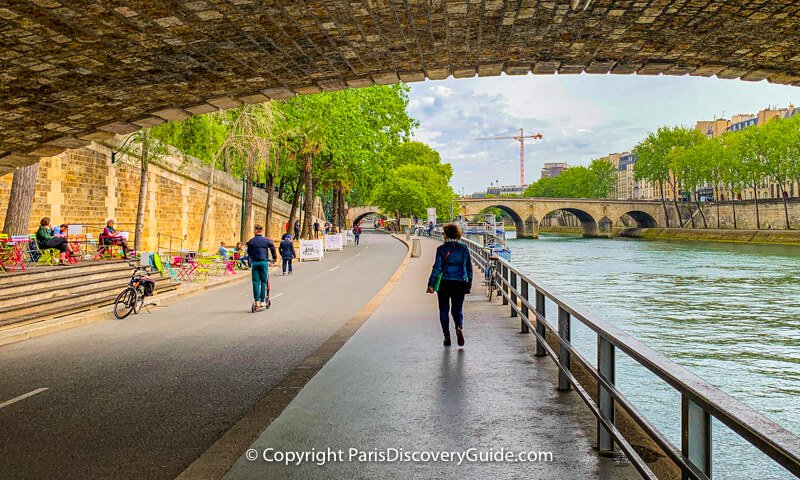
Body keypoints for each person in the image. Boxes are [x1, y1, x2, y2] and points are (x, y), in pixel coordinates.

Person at [426, 224, 472, 347]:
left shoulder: (441, 249)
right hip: (460, 282)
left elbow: (437, 267)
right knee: (457, 309)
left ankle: (447, 336)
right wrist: (469, 283)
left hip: (445, 283)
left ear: (446, 235)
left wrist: (431, 283)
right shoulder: (464, 248)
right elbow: (469, 268)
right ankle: (459, 327)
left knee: (444, 310)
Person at [246, 225, 277, 309]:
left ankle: (257, 300)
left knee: (255, 282)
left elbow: (248, 252)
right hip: (264, 262)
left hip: (255, 262)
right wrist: (274, 258)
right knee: (263, 282)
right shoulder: (266, 240)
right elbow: (272, 247)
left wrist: (252, 257)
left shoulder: (251, 241)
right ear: (261, 231)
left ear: (255, 231)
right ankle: (263, 300)